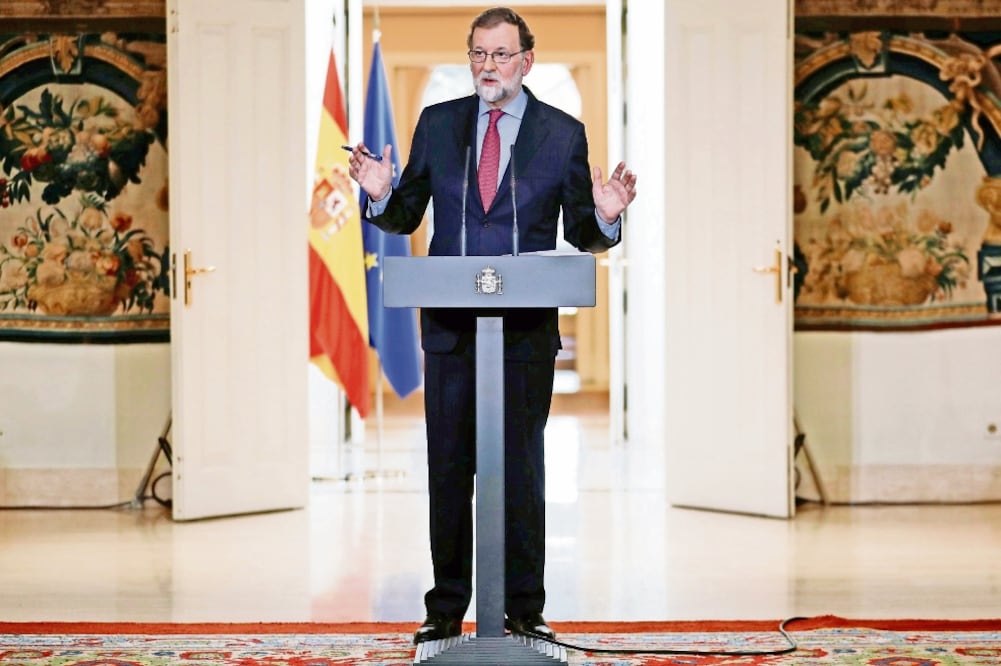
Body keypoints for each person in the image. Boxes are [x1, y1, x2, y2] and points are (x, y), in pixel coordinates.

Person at [346, 6, 636, 645]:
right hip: (450, 330)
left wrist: (608, 216)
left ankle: (524, 609)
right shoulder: (438, 123)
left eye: (501, 55)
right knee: (449, 469)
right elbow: (406, 215)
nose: (488, 66)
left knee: (523, 471)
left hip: (524, 334)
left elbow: (582, 231)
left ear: (526, 61)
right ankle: (446, 606)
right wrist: (379, 194)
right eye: (479, 54)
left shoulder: (563, 134)